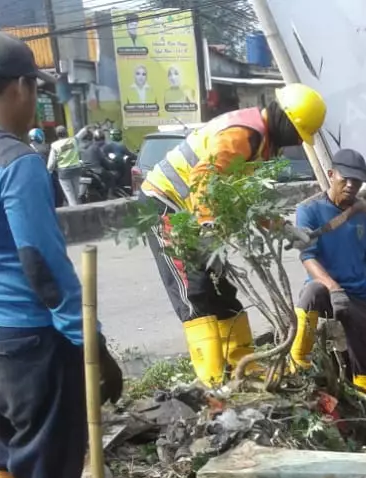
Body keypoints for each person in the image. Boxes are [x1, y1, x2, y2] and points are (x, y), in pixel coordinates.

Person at [0, 31, 123, 478]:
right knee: (50, 448)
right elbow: (41, 262)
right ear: (21, 88)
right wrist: (86, 339)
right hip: (29, 334)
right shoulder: (17, 163)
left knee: (2, 448)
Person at [139, 83, 327, 385]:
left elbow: (245, 197)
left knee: (222, 289)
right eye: (297, 134)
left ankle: (243, 364)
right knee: (195, 290)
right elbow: (204, 175)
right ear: (287, 120)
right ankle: (212, 380)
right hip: (166, 204)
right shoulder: (243, 134)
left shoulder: (262, 141)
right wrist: (208, 224)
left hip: (193, 211)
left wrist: (284, 229)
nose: (295, 143)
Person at [292, 148, 366, 397]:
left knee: (365, 364)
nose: (350, 185)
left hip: (359, 296)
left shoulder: (363, 215)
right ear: (331, 174)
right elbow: (307, 256)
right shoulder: (309, 210)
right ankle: (297, 362)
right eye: (345, 179)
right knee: (311, 292)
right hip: (328, 291)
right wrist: (333, 288)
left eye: (356, 181)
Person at [46, 123, 83, 207]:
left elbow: (51, 163)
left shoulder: (55, 145)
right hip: (76, 170)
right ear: (66, 132)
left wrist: (49, 171)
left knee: (70, 195)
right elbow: (81, 134)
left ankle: (75, 214)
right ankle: (80, 210)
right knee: (76, 193)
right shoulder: (73, 140)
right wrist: (87, 128)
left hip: (64, 172)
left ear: (57, 134)